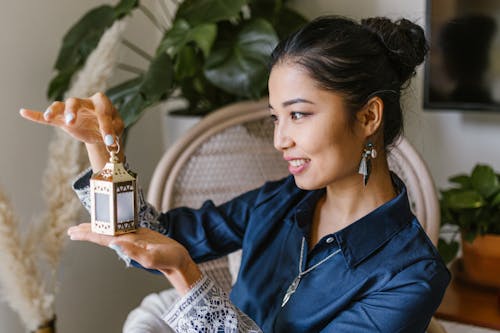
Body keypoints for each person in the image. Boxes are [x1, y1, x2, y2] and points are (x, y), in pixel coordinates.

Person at [20, 15, 450, 332]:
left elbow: (173, 259)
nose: (280, 139)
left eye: (298, 115)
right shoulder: (280, 202)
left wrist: (185, 274)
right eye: (275, 118)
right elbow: (161, 236)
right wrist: (101, 146)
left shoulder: (410, 275)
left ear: (369, 115)